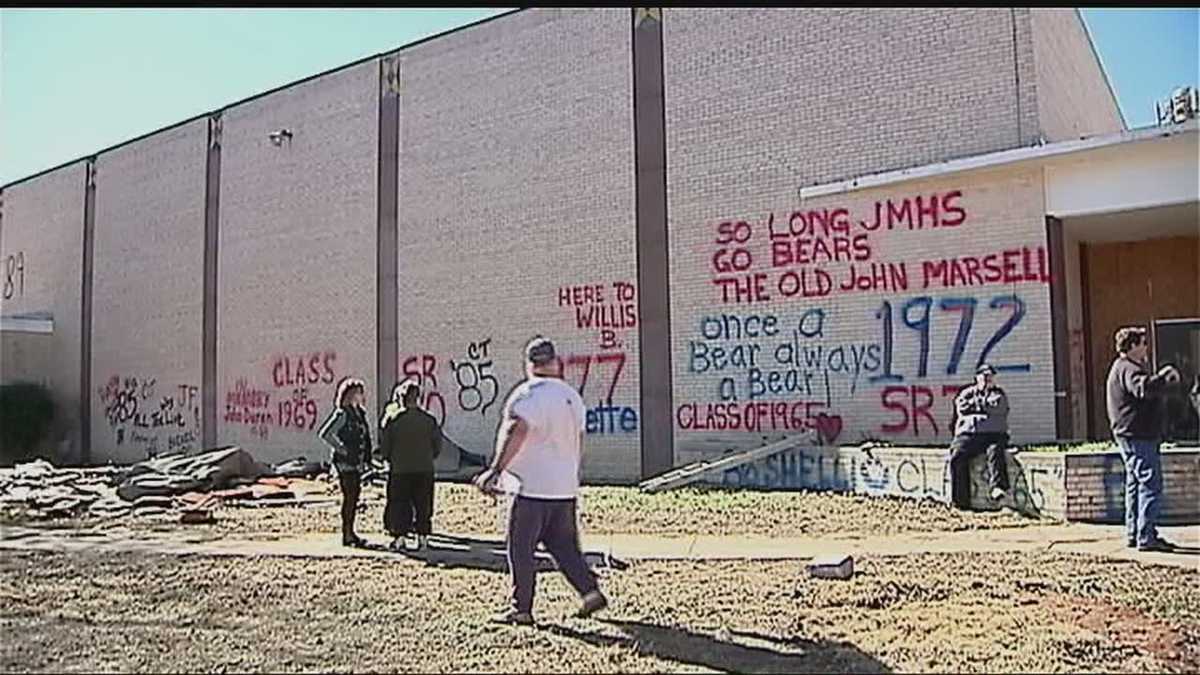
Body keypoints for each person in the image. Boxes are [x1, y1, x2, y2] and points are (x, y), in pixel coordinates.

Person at [474, 336, 608, 626]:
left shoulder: (527, 395)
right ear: (555, 362)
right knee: (564, 546)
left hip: (530, 487)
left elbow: (517, 429)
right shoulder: (571, 397)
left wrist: (495, 470)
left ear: (529, 364)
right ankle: (589, 591)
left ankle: (521, 608)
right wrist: (571, 472)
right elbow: (579, 440)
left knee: (520, 547)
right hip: (564, 488)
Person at [1106, 326, 1181, 552]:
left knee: (1135, 483)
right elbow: (1143, 389)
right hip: (1137, 435)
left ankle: (1135, 533)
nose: (1146, 347)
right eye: (1143, 343)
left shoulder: (1121, 367)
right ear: (1132, 346)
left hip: (1130, 434)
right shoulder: (1129, 369)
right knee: (1150, 483)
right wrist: (1164, 377)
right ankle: (1146, 535)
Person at [379, 379, 442, 552]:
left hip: (400, 469)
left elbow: (385, 447)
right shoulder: (429, 420)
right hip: (424, 468)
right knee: (423, 504)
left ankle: (400, 538)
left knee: (400, 503)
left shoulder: (393, 420)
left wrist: (389, 459)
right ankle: (423, 538)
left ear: (402, 398)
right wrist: (428, 457)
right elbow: (437, 446)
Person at [318, 377, 373, 548]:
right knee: (349, 497)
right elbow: (326, 433)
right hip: (345, 464)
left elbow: (364, 437)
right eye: (358, 393)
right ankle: (347, 533)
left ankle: (351, 532)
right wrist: (341, 448)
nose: (361, 396)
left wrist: (367, 458)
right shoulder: (342, 414)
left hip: (356, 462)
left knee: (354, 496)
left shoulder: (359, 414)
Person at [948, 364, 1011, 510]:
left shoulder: (999, 394)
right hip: (969, 434)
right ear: (977, 378)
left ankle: (998, 487)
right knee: (957, 456)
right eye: (984, 376)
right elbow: (962, 407)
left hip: (993, 434)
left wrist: (975, 406)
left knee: (995, 452)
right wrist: (983, 406)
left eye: (990, 377)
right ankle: (960, 501)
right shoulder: (966, 392)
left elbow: (997, 407)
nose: (987, 380)